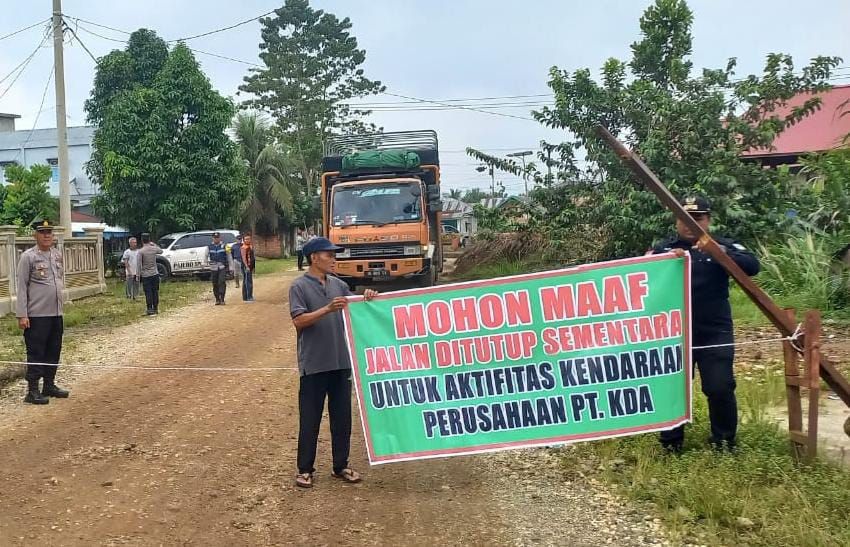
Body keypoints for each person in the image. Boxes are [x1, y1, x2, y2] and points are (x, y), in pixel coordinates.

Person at [650, 196, 760, 453]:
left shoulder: (723, 245)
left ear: (708, 220)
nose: (690, 224)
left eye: (697, 218)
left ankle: (724, 442)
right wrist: (663, 261)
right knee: (672, 387)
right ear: (676, 221)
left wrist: (719, 252)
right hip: (674, 332)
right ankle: (671, 444)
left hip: (714, 331)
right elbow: (642, 275)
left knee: (720, 386)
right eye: (684, 219)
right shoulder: (664, 249)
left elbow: (753, 266)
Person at [289, 237, 378, 488]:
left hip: (341, 362)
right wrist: (327, 309)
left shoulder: (339, 285)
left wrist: (368, 297)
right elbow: (298, 320)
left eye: (334, 255)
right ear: (314, 258)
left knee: (342, 418)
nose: (333, 259)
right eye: (329, 255)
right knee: (310, 419)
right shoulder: (299, 287)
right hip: (314, 364)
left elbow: (357, 308)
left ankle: (341, 465)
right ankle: (304, 469)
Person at [16, 218, 68, 405]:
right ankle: (32, 390)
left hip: (55, 313)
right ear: (35, 235)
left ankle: (49, 384)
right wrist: (22, 314)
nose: (46, 236)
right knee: (36, 352)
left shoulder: (56, 255)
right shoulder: (28, 257)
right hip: (37, 315)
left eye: (49, 233)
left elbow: (59, 280)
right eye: (42, 232)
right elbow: (22, 286)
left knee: (54, 350)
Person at [138, 233, 163, 315]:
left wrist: (138, 275)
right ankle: (156, 308)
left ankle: (149, 309)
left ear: (142, 240)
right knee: (155, 291)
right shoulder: (154, 248)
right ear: (149, 239)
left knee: (148, 292)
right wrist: (154, 244)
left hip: (146, 274)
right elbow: (161, 251)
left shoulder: (141, 251)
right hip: (155, 273)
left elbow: (139, 264)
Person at [208, 232, 228, 305]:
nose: (216, 239)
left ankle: (222, 298)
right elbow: (206, 256)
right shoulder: (209, 247)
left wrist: (231, 267)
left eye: (217, 237)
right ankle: (217, 299)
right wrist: (206, 265)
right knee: (215, 283)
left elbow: (229, 257)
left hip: (222, 266)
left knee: (221, 282)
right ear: (212, 238)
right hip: (213, 267)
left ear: (220, 238)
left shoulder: (225, 246)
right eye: (215, 238)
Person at [240, 233, 256, 302]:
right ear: (243, 240)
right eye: (246, 239)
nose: (248, 240)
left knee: (248, 281)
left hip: (250, 266)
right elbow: (244, 258)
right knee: (247, 282)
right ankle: (248, 297)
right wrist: (246, 266)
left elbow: (252, 257)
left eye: (249, 239)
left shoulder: (250, 246)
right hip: (246, 267)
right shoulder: (243, 247)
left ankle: (246, 297)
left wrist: (253, 267)